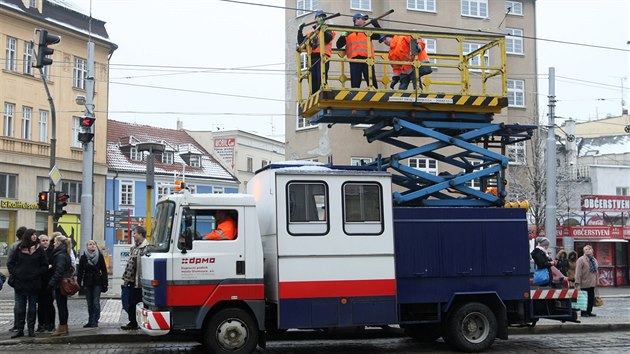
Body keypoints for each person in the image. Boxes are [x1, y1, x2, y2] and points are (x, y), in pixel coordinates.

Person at [7, 229, 48, 338]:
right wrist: (16, 272)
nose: (35, 236)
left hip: (34, 282)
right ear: (27, 236)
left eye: (35, 234)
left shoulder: (39, 250)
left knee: (32, 307)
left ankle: (31, 329)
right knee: (20, 308)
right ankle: (20, 329)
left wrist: (37, 273)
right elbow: (10, 263)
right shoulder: (19, 249)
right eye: (32, 234)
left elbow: (44, 265)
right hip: (20, 282)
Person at [336, 13, 381, 88]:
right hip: (355, 60)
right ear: (356, 20)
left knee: (372, 81)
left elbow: (379, 36)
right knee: (355, 82)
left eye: (364, 20)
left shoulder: (368, 32)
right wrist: (342, 36)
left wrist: (376, 25)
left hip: (368, 60)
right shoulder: (349, 32)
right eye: (362, 19)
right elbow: (338, 45)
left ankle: (375, 94)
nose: (364, 21)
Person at [298, 9, 336, 94]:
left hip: (322, 57)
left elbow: (327, 39)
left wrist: (321, 27)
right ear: (315, 18)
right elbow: (301, 43)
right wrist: (299, 30)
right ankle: (313, 94)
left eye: (323, 17)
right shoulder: (311, 32)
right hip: (312, 58)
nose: (321, 18)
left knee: (321, 78)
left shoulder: (327, 29)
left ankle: (322, 93)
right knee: (312, 79)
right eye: (319, 16)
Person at [121, 226, 148, 330]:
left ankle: (142, 323)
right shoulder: (134, 248)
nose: (133, 235)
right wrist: (126, 279)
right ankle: (133, 322)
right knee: (131, 302)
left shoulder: (147, 248)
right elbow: (129, 265)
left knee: (142, 304)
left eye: (135, 233)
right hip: (133, 281)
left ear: (141, 234)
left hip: (142, 282)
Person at [76, 240, 108, 328]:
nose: (92, 246)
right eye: (90, 244)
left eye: (94, 244)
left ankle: (95, 320)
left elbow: (104, 271)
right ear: (87, 246)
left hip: (97, 282)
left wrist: (105, 284)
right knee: (89, 303)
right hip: (87, 282)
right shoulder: (83, 257)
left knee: (95, 302)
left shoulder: (100, 256)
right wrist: (78, 284)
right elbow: (80, 272)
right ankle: (90, 320)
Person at [48, 235, 73, 336]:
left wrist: (51, 283)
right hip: (63, 282)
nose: (53, 244)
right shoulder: (65, 253)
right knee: (63, 305)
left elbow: (59, 271)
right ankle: (64, 327)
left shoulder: (60, 255)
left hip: (60, 284)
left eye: (55, 242)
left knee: (61, 306)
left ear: (59, 243)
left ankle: (62, 327)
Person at [7, 226, 27, 333]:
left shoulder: (14, 246)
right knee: (31, 301)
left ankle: (17, 324)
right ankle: (31, 324)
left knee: (18, 301)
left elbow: (9, 261)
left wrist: (13, 273)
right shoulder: (31, 246)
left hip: (18, 277)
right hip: (29, 278)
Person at [36, 234, 56, 332]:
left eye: (46, 240)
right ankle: (41, 324)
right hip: (39, 282)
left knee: (49, 304)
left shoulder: (52, 251)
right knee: (40, 304)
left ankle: (50, 324)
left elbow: (54, 265)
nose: (45, 242)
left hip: (49, 281)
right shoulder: (37, 251)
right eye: (43, 240)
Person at [575, 245, 599, 317]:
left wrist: (597, 281)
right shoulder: (581, 260)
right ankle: (583, 312)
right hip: (584, 282)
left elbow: (596, 271)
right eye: (586, 249)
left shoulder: (594, 260)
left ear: (592, 250)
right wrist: (577, 282)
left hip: (592, 282)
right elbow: (578, 271)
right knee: (584, 298)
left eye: (589, 249)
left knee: (591, 298)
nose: (587, 250)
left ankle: (589, 311)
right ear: (584, 251)